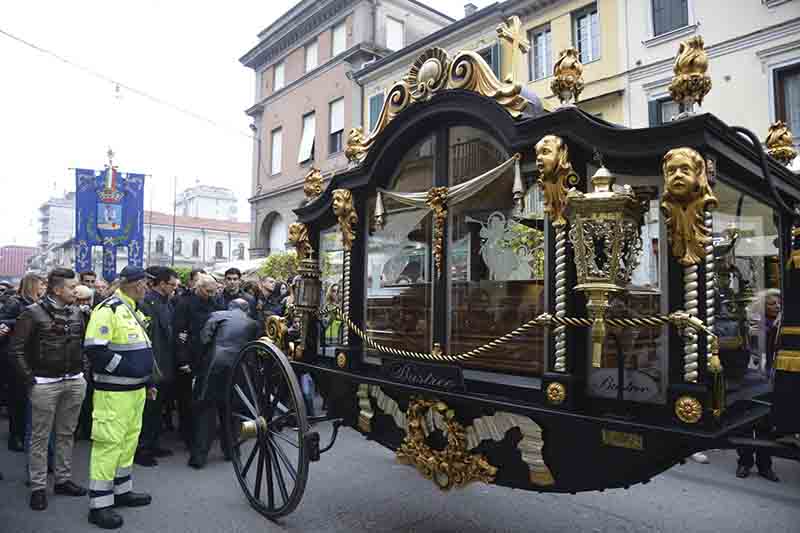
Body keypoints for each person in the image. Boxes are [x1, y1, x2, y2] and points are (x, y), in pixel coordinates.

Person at [83, 266, 158, 529]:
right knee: (108, 446)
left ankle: (122, 491)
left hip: (134, 392)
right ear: (131, 284)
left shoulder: (132, 310)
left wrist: (146, 380)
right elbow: (95, 350)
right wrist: (131, 370)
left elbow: (141, 350)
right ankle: (99, 506)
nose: (146, 288)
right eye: (143, 283)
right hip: (113, 394)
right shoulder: (108, 309)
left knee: (128, 443)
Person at [8, 268, 88, 510]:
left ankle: (63, 480)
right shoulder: (31, 313)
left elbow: (83, 344)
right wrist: (31, 378)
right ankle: (38, 487)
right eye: (72, 287)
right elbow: (16, 349)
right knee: (40, 438)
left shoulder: (76, 312)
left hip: (74, 381)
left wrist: (82, 368)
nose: (77, 291)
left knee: (66, 434)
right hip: (44, 383)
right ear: (57, 289)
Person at [189, 298, 259, 468]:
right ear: (246, 309)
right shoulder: (253, 323)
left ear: (230, 306)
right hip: (238, 367)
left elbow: (204, 340)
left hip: (214, 364)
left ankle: (199, 457)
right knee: (231, 411)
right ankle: (231, 451)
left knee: (206, 410)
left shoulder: (216, 315)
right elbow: (254, 349)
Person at [736, 289, 782, 482]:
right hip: (751, 376)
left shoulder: (782, 324)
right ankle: (745, 462)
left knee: (766, 423)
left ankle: (765, 465)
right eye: (772, 303)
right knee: (745, 422)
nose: (777, 306)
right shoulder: (752, 324)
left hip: (771, 377)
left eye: (778, 303)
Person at [136, 267, 179, 467]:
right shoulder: (146, 303)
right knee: (148, 409)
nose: (174, 288)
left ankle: (152, 443)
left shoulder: (167, 302)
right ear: (162, 284)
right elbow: (148, 337)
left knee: (157, 408)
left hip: (165, 363)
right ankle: (142, 448)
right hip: (154, 363)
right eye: (172, 285)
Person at [174, 273, 221, 452]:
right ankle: (188, 436)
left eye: (213, 292)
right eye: (208, 291)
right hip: (190, 357)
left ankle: (203, 435)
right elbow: (179, 333)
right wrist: (182, 359)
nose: (211, 295)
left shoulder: (215, 302)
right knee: (187, 400)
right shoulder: (185, 303)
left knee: (205, 398)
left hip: (209, 356)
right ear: (198, 288)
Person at [0, 273, 42, 453]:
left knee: (27, 399)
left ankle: (25, 434)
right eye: (40, 285)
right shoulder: (16, 302)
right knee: (17, 399)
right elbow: (3, 321)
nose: (43, 288)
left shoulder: (39, 303)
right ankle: (15, 436)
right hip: (15, 356)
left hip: (31, 354)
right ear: (32, 285)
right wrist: (21, 321)